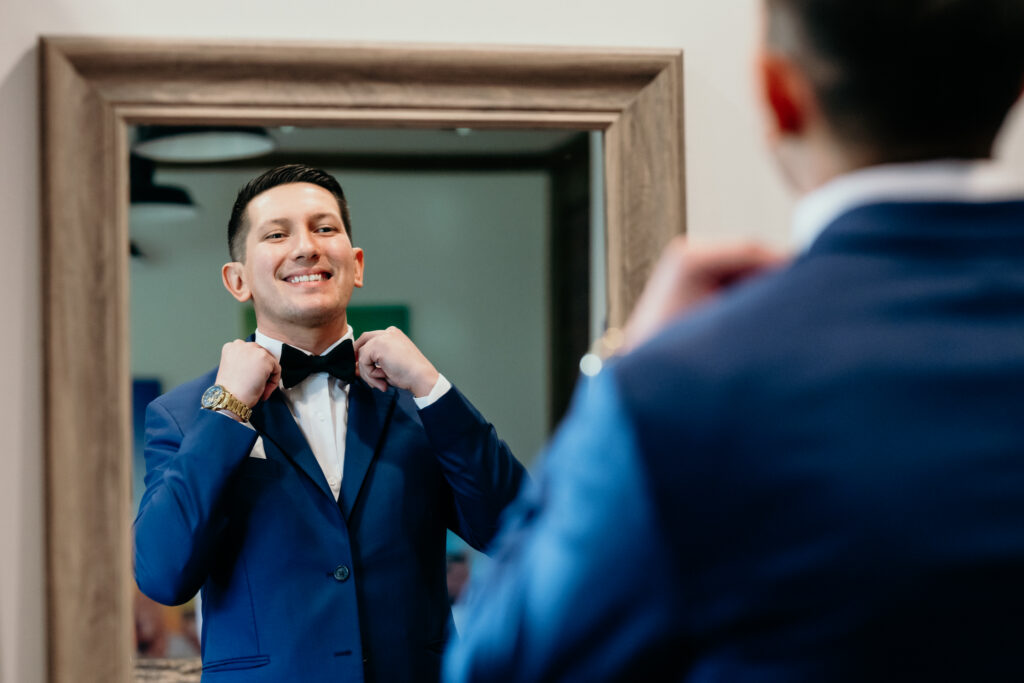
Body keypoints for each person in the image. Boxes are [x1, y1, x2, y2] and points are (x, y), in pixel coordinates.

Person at [443, 0, 1024, 680]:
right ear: (1015, 83)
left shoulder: (679, 391)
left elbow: (500, 664)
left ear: (778, 95)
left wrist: (623, 370)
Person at [133, 164, 527, 682]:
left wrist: (432, 386)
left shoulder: (418, 401)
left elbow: (516, 530)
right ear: (238, 280)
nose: (305, 248)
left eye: (324, 228)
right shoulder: (184, 416)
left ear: (356, 264)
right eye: (277, 234)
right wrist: (227, 407)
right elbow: (163, 574)